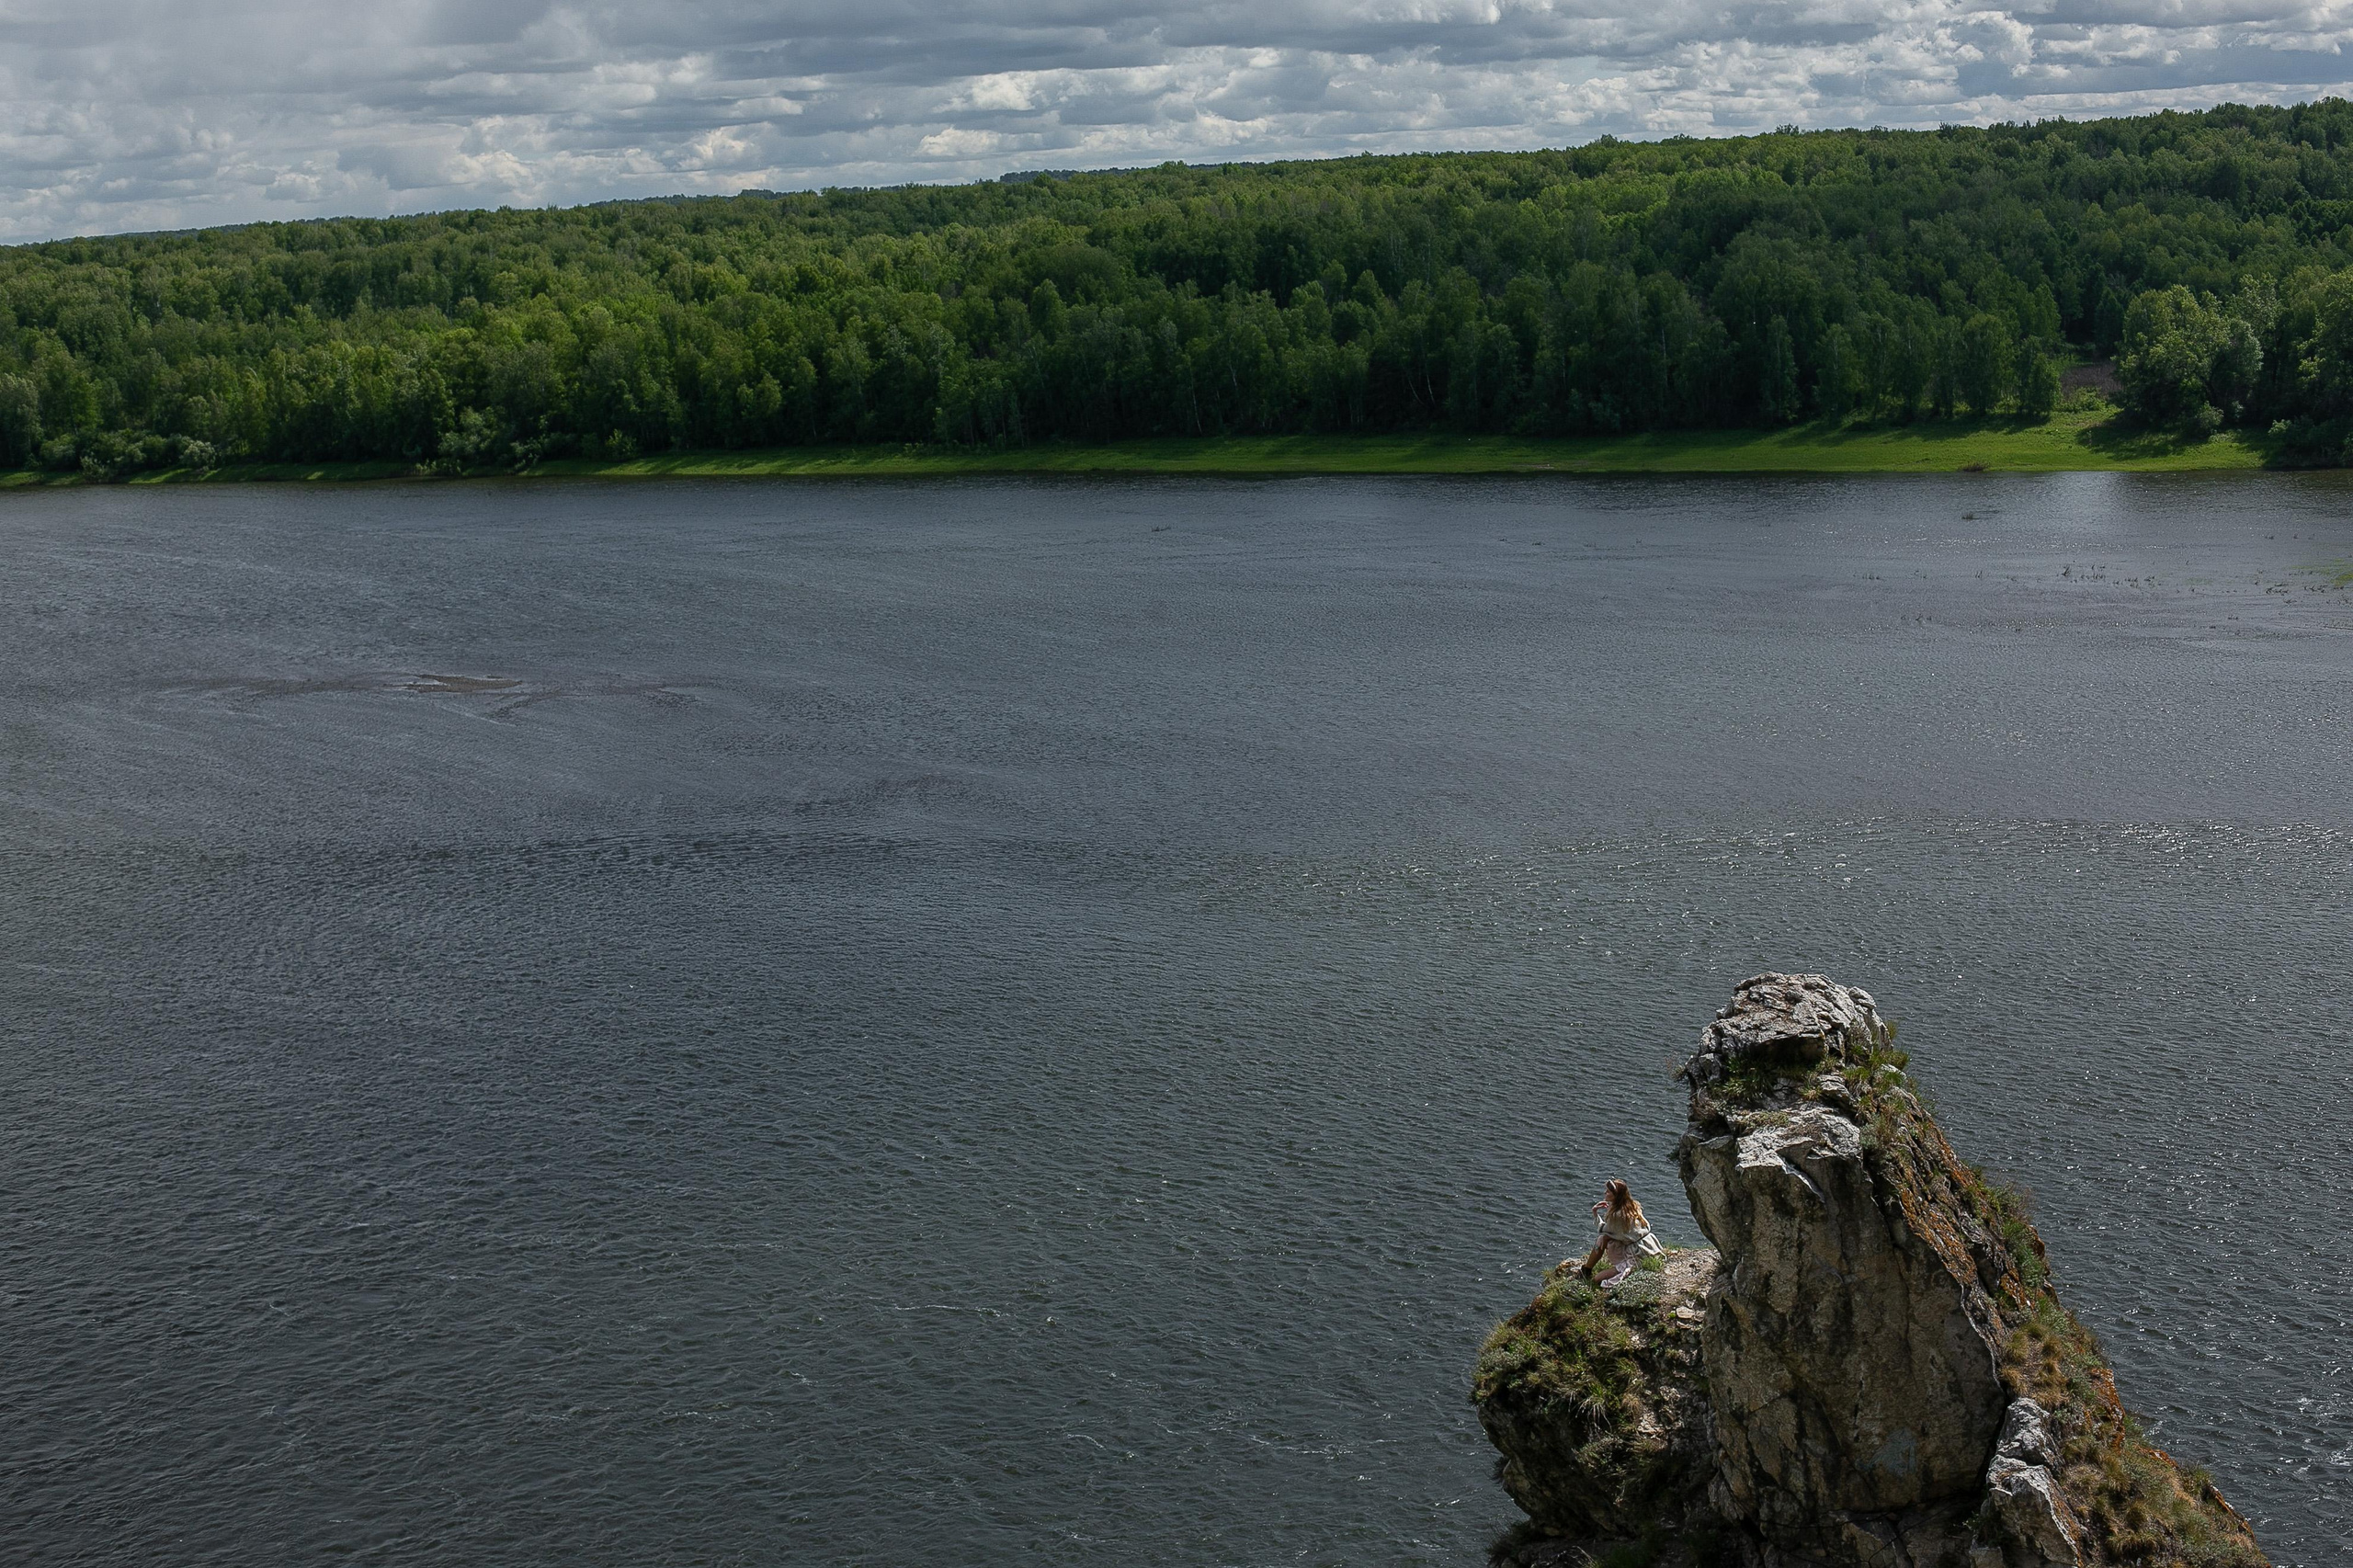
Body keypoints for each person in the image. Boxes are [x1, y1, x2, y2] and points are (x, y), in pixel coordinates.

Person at [1569, 1178, 1665, 1289]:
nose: (1605, 1193)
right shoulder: (1633, 1205)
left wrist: (1595, 1213)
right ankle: (1587, 1270)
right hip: (1649, 1245)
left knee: (1597, 1278)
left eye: (1608, 1192)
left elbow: (1604, 1229)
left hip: (1637, 1253)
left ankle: (1586, 1271)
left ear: (1616, 1196)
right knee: (1603, 1238)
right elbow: (1618, 1232)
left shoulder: (1618, 1215)